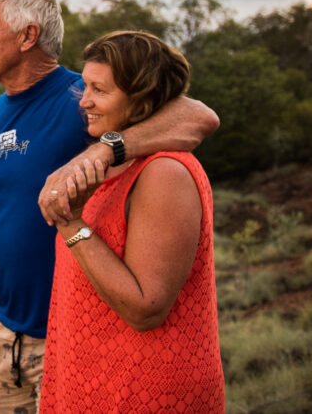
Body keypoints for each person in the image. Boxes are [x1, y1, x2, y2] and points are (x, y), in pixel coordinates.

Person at [0, 0, 219, 414]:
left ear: (27, 37)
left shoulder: (82, 98)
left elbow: (200, 117)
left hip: (66, 342)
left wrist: (105, 148)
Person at [39, 31, 225, 413]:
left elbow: (146, 308)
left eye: (99, 90)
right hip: (97, 381)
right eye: (84, 86)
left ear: (141, 97)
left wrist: (72, 225)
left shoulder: (164, 173)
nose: (84, 101)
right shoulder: (114, 163)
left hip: (145, 391)